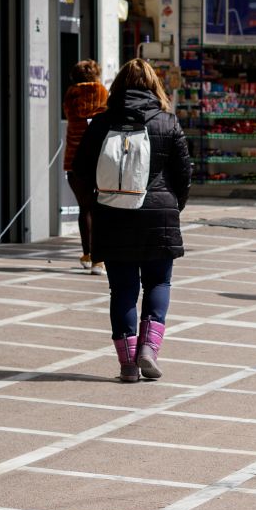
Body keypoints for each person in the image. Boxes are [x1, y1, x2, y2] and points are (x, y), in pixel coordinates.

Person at [73, 58, 192, 383]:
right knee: (158, 283)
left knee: (122, 290)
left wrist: (94, 206)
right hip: (159, 214)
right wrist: (171, 207)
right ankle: (148, 351)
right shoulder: (168, 122)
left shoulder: (100, 123)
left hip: (113, 215)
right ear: (154, 86)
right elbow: (184, 175)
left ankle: (127, 365)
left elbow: (79, 172)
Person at [63, 59, 109, 274]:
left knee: (85, 208)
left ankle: (87, 254)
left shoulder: (71, 95)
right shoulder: (102, 92)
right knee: (100, 208)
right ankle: (99, 261)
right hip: (99, 158)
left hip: (74, 159)